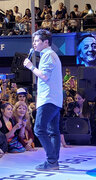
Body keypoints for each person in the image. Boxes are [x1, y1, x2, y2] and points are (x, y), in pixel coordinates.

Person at [24, 29, 63, 170]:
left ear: (45, 42)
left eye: (37, 41)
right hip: (54, 99)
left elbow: (44, 76)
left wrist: (30, 67)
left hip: (48, 99)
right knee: (53, 131)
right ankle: (54, 162)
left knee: (39, 129)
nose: (34, 43)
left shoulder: (48, 55)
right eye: (33, 41)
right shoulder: (52, 55)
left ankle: (52, 161)